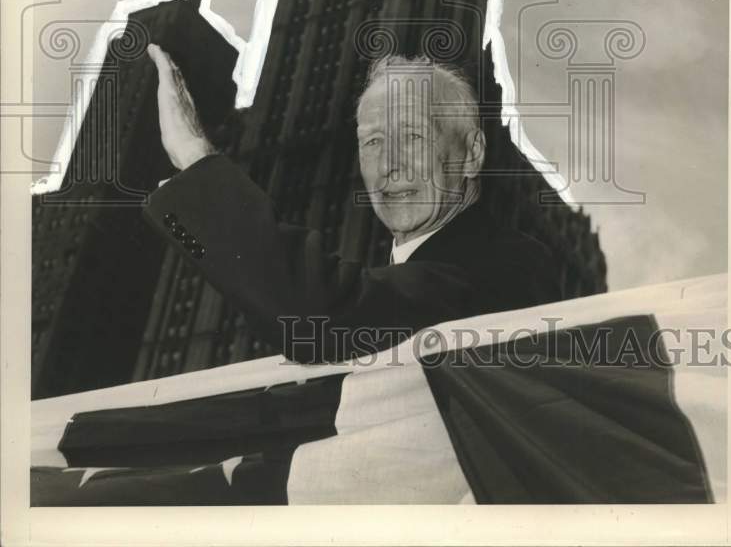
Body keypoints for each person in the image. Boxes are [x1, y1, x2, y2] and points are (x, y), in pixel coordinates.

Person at [144, 45, 561, 363]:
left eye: (413, 137)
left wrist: (193, 155)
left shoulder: (503, 265)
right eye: (373, 141)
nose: (389, 165)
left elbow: (312, 319)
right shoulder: (407, 270)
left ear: (471, 154)